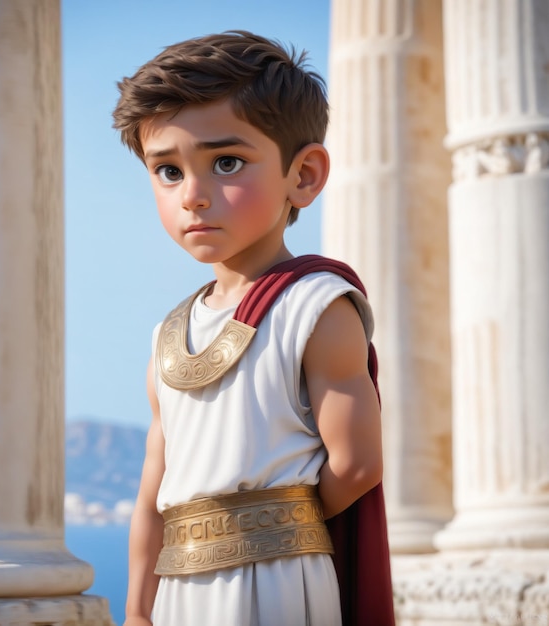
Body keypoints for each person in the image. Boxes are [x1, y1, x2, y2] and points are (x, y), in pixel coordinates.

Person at [113, 31, 390, 626]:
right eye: (167, 170)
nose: (193, 196)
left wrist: (275, 529)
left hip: (278, 585)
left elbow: (359, 462)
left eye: (226, 163)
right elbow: (154, 493)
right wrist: (137, 612)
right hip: (180, 589)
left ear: (304, 175)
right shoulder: (169, 332)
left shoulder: (317, 306)